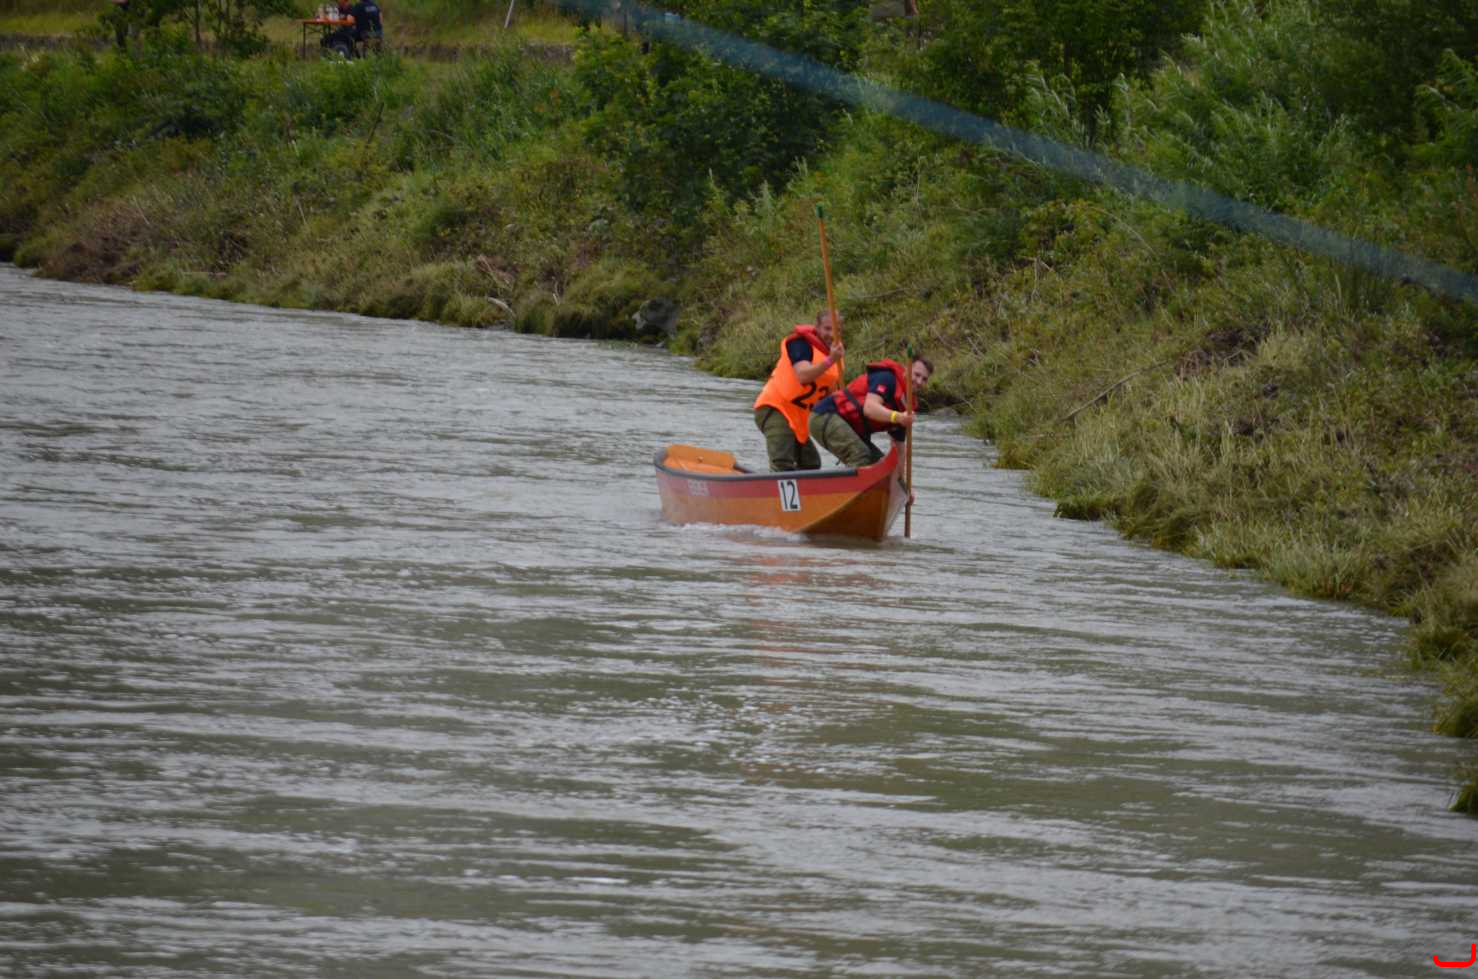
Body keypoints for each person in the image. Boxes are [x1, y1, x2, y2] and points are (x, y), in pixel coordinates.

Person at [752, 310, 846, 472]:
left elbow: (830, 391)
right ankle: (775, 485)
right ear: (817, 327)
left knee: (811, 464)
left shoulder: (836, 353)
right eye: (827, 329)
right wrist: (831, 359)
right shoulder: (799, 343)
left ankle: (804, 488)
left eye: (836, 331)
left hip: (800, 417)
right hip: (776, 408)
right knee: (782, 463)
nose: (831, 335)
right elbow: (803, 376)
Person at [809, 355, 932, 468]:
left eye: (924, 379)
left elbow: (899, 449)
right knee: (860, 454)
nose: (919, 381)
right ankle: (846, 485)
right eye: (916, 375)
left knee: (882, 466)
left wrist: (900, 482)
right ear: (906, 369)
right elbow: (869, 408)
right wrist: (898, 417)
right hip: (824, 416)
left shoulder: (906, 406)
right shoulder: (887, 378)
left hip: (849, 426)